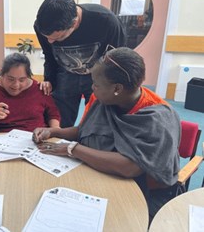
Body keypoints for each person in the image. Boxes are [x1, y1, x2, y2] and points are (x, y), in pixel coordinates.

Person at [32, 47, 180, 222]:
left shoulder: (157, 118)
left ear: (117, 88)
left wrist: (73, 149)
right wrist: (54, 131)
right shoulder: (105, 99)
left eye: (96, 84)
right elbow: (85, 130)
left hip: (146, 194)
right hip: (101, 176)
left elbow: (130, 166)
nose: (92, 88)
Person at [34, 0, 127, 127]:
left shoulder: (106, 21)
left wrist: (113, 87)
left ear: (74, 23)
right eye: (47, 37)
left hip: (98, 74)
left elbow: (119, 57)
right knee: (60, 117)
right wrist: (49, 78)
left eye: (57, 38)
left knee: (98, 117)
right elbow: (49, 54)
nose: (50, 41)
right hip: (65, 73)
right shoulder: (41, 26)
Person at [0, 53, 60, 133]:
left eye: (22, 80)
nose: (16, 85)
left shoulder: (39, 88)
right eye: (10, 79)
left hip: (35, 139)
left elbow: (53, 114)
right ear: (2, 74)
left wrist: (55, 131)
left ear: (28, 76)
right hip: (0, 141)